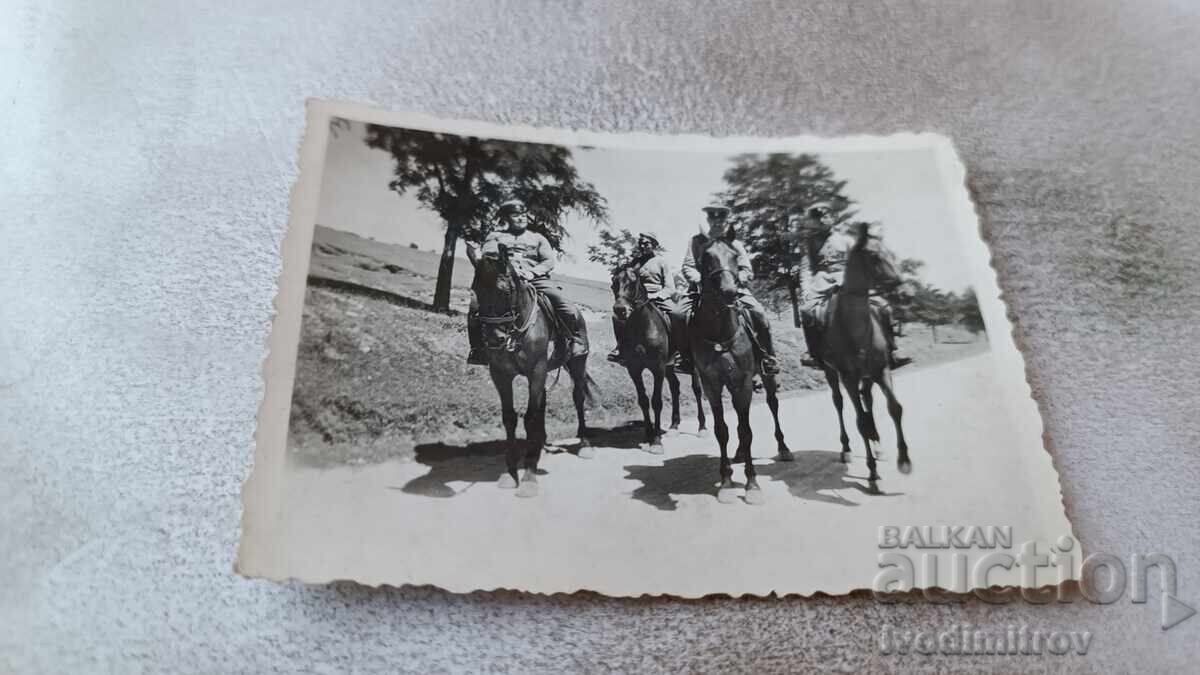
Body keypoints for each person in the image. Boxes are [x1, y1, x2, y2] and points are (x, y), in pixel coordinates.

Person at [465, 199, 588, 365]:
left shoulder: (538, 238)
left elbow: (548, 262)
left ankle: (576, 341)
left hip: (535, 280)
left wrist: (531, 273)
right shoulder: (495, 237)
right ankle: (477, 350)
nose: (521, 218)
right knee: (475, 306)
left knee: (566, 305)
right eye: (516, 215)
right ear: (506, 218)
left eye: (523, 214)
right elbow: (490, 259)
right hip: (504, 281)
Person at [797, 204, 912, 370]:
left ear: (832, 218)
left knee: (883, 307)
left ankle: (893, 350)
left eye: (826, 216)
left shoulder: (846, 240)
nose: (823, 221)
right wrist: (807, 290)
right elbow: (806, 268)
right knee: (807, 311)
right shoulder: (809, 243)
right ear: (814, 222)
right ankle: (814, 354)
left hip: (847, 279)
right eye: (818, 219)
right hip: (821, 282)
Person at [672, 202, 780, 375]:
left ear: (725, 220)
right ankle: (685, 357)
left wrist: (738, 279)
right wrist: (698, 279)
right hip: (702, 290)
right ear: (708, 220)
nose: (717, 222)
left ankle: (768, 357)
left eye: (721, 218)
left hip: (732, 289)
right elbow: (688, 266)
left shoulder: (734, 243)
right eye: (713, 218)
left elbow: (746, 268)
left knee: (759, 313)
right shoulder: (696, 242)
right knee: (677, 314)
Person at [607, 232, 676, 364]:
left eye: (646, 243)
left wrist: (656, 295)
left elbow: (670, 287)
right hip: (637, 300)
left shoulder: (661, 262)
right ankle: (620, 347)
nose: (643, 246)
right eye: (641, 243)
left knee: (677, 314)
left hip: (658, 297)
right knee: (617, 317)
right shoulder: (635, 262)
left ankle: (678, 351)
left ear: (654, 245)